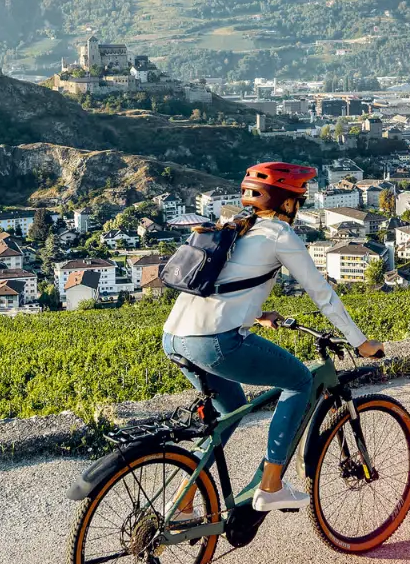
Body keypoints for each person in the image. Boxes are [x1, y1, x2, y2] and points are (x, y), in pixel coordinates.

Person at [162, 161, 384, 513]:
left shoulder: (231, 225)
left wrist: (257, 316)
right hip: (213, 342)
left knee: (230, 412)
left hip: (174, 337)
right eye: (299, 198)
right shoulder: (281, 235)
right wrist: (360, 341)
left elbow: (222, 287)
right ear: (285, 202)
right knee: (297, 381)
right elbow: (323, 295)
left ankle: (184, 500)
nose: (301, 204)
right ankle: (271, 485)